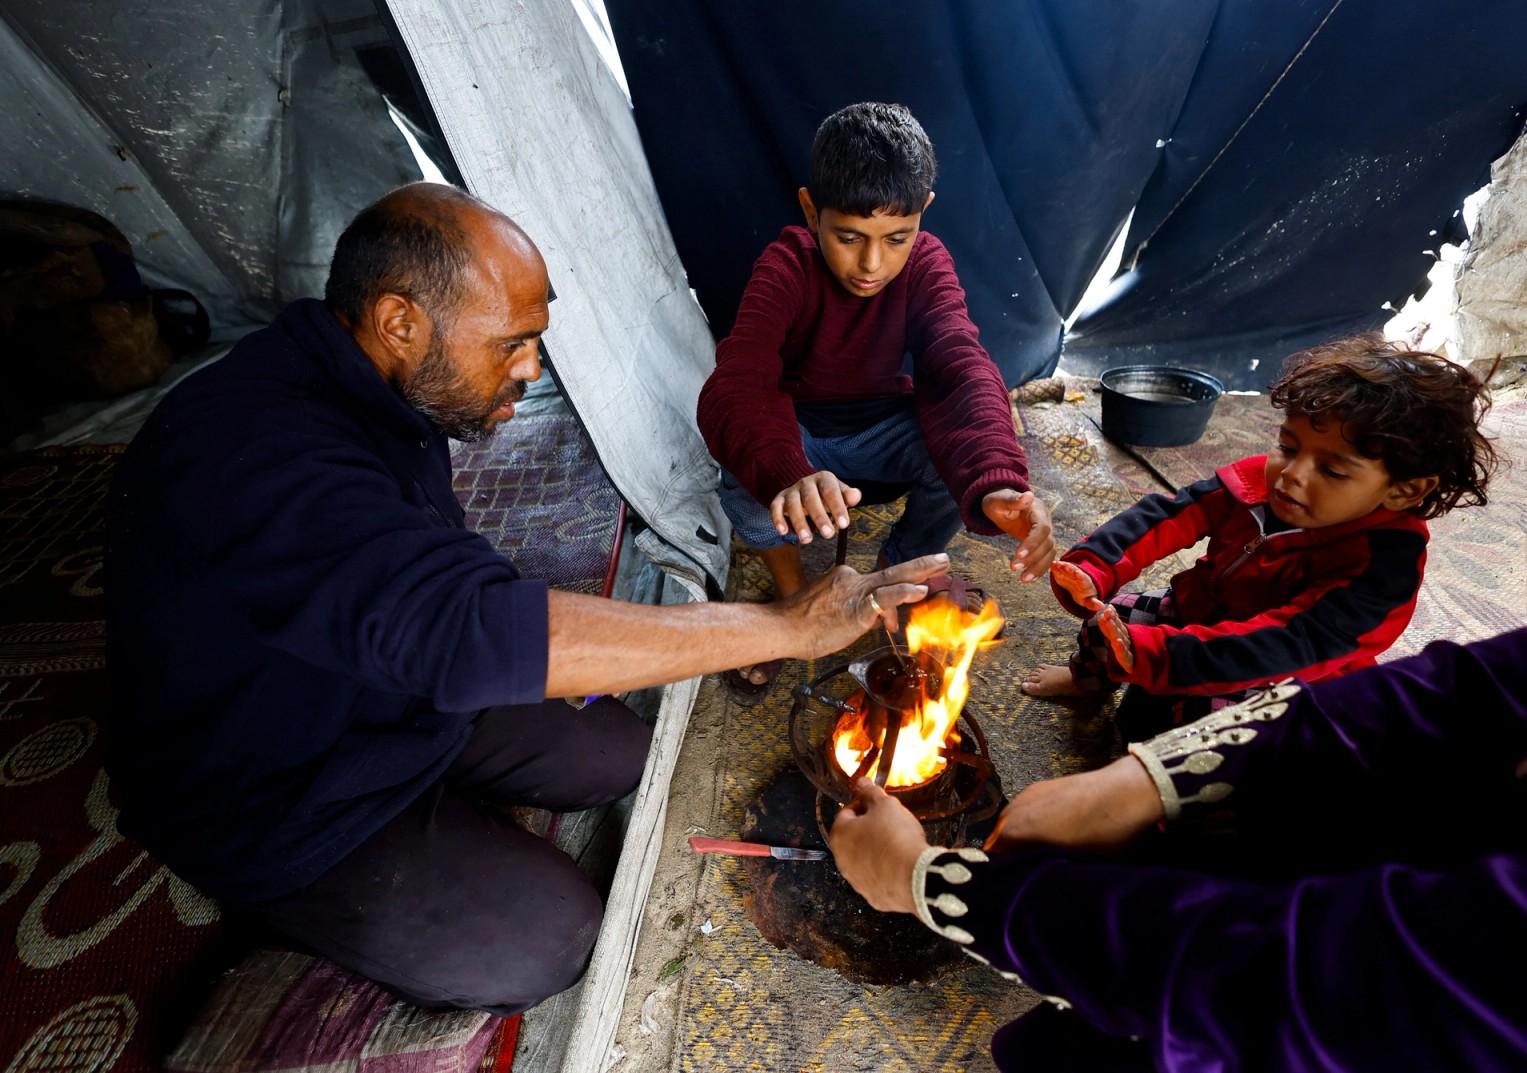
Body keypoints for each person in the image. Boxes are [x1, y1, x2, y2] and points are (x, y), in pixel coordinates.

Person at [103, 182, 948, 1015]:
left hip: (385, 690)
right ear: (399, 321)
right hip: (275, 784)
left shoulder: (365, 376)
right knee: (552, 938)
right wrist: (781, 626)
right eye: (511, 343)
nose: (531, 369)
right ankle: (294, 903)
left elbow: (438, 606)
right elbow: (471, 631)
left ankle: (438, 799)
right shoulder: (261, 466)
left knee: (615, 752)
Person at [832, 616, 1527, 1071]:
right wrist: (1144, 779)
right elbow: (1482, 686)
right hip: (1395, 857)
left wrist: (932, 884)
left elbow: (1279, 979)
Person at [696, 102, 1054, 703]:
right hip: (799, 435)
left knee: (958, 456)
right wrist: (788, 472)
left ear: (923, 213)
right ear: (811, 211)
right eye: (848, 237)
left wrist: (996, 481)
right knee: (743, 471)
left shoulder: (927, 265)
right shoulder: (787, 265)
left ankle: (901, 570)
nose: (871, 264)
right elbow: (740, 378)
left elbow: (960, 365)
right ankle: (792, 599)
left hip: (881, 428)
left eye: (896, 239)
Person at [1022, 335, 1497, 737]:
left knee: (1210, 733)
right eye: (1288, 447)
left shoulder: (1385, 564)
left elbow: (1291, 643)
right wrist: (1095, 566)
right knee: (1110, 619)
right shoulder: (1254, 484)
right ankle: (1086, 683)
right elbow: (1167, 516)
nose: (1291, 475)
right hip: (1197, 609)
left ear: (1403, 490)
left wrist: (1165, 655)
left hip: (1275, 670)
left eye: (1332, 470)